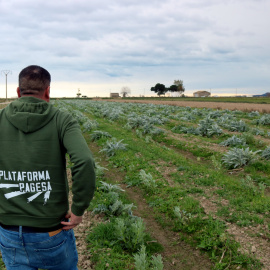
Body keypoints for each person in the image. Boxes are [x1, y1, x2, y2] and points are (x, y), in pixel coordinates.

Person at [0, 65, 96, 270]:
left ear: (18, 92)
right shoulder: (62, 120)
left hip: (9, 232)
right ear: (48, 91)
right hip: (51, 232)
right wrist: (78, 209)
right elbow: (84, 161)